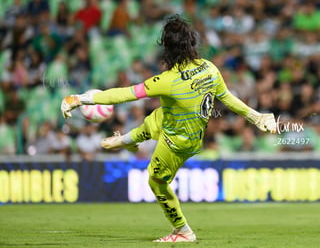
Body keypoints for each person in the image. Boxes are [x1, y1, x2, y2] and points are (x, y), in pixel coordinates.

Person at [61, 15, 277, 242]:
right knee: (160, 115)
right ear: (192, 42)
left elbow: (124, 94)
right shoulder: (209, 68)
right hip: (191, 130)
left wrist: (81, 98)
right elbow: (228, 98)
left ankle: (183, 231)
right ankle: (127, 140)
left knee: (155, 180)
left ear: (167, 48)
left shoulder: (167, 80)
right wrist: (257, 116)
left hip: (177, 142)